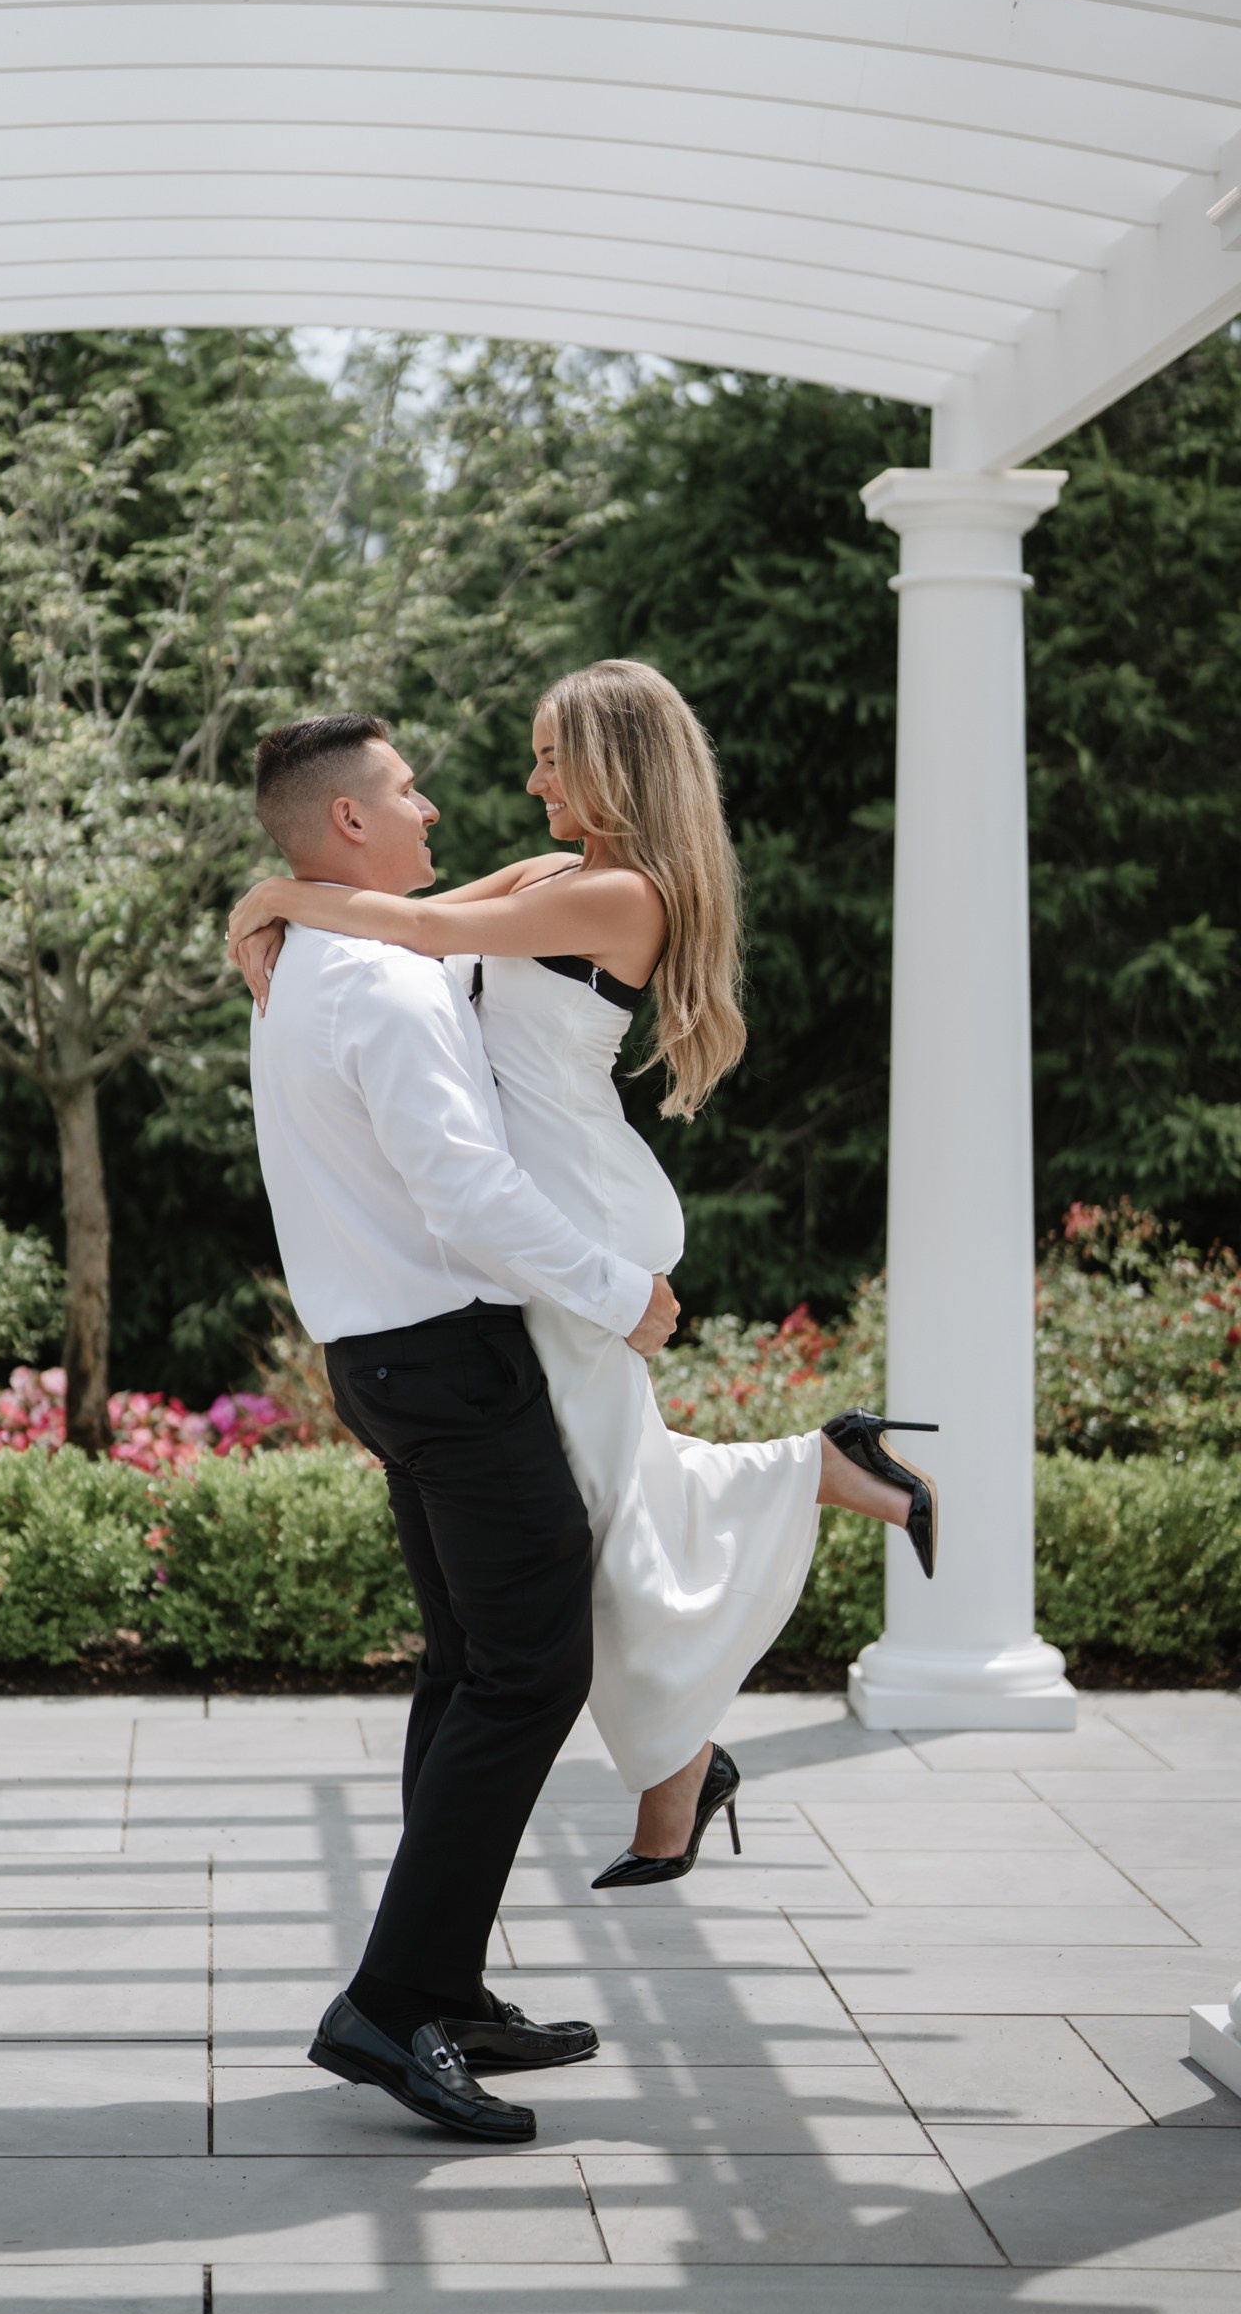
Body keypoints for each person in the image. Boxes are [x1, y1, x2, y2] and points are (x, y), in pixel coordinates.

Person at [230, 662, 936, 1886]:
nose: (528, 779)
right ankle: (704, 1722)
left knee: (605, 1518)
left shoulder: (622, 896)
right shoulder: (555, 875)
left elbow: (417, 926)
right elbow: (416, 922)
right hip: (548, 1217)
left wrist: (267, 894)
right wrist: (285, 896)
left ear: (614, 761)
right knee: (611, 1505)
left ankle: (696, 1732)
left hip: (575, 1219)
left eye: (551, 755)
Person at [245, 710, 681, 2146]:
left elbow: (458, 908)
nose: (432, 803)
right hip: (448, 1365)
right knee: (526, 1677)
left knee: (471, 1671)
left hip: (385, 1361)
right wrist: (624, 1297)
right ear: (352, 824)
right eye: (406, 788)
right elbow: (470, 1197)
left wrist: (272, 904)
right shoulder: (374, 984)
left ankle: (440, 1983)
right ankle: (389, 2005)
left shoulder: (319, 959)